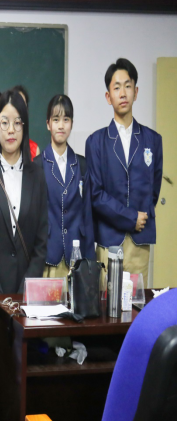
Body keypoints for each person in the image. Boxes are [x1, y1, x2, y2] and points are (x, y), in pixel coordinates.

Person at [0, 90, 47, 384]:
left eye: (17, 123)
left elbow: (41, 241)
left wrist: (21, 295)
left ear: (25, 127)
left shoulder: (37, 176)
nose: (10, 130)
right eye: (4, 122)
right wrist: (0, 300)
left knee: (23, 379)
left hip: (26, 298)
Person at [86, 58, 163, 285]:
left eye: (128, 86)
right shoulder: (96, 142)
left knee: (138, 303)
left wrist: (140, 218)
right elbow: (96, 195)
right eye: (117, 87)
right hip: (108, 241)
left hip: (140, 242)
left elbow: (154, 190)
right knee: (106, 304)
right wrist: (130, 217)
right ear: (108, 96)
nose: (123, 93)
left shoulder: (152, 140)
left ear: (136, 92)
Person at [33, 94, 95, 276]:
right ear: (48, 124)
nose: (61, 125)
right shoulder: (37, 165)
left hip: (77, 259)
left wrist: (90, 262)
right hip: (47, 258)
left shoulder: (82, 165)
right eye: (56, 119)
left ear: (72, 124)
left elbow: (87, 216)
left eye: (66, 119)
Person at [12, 85, 40, 160]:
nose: (19, 109)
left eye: (23, 106)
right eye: (16, 105)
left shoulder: (34, 149)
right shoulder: (2, 145)